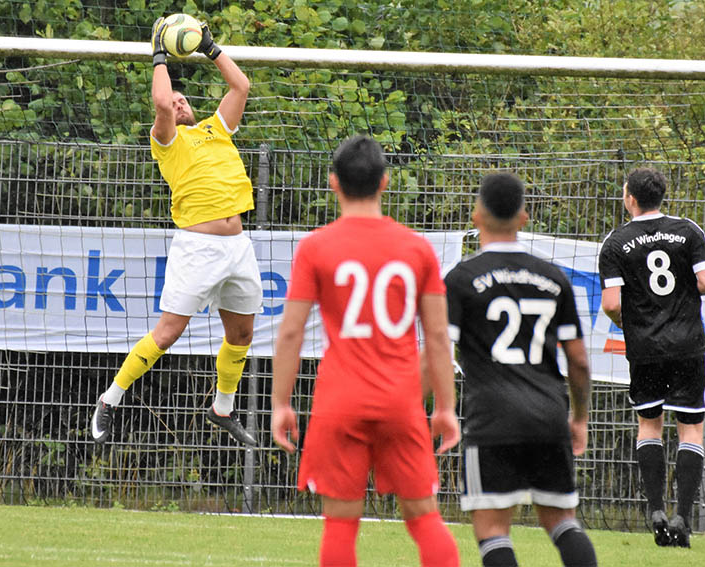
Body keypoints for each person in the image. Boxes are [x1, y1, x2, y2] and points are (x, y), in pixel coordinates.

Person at [270, 135, 461, 567]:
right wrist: (445, 407)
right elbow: (436, 338)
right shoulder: (416, 248)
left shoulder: (316, 248)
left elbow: (290, 334)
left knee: (340, 525)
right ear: (386, 183)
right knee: (424, 519)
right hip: (401, 399)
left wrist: (281, 402)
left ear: (333, 183)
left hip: (340, 400)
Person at [90, 17, 260, 446]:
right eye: (175, 99)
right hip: (197, 248)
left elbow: (241, 87)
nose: (179, 103)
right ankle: (110, 399)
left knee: (241, 335)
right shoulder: (166, 141)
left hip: (238, 247)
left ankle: (222, 408)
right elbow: (162, 104)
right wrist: (160, 53)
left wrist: (210, 47)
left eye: (185, 100)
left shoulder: (216, 128)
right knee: (167, 333)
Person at [445, 173, 597, 567]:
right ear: (524, 217)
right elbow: (578, 360)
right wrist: (578, 417)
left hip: (491, 420)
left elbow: (437, 351)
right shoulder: (553, 277)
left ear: (477, 214)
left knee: (493, 530)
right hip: (549, 416)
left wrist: (437, 408)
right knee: (563, 522)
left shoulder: (461, 279)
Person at [599, 167, 705, 548]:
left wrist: (631, 322)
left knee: (649, 425)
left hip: (645, 347)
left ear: (630, 197)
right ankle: (683, 515)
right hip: (687, 344)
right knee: (691, 428)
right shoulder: (688, 230)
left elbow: (612, 304)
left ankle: (656, 510)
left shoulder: (616, 241)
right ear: (661, 196)